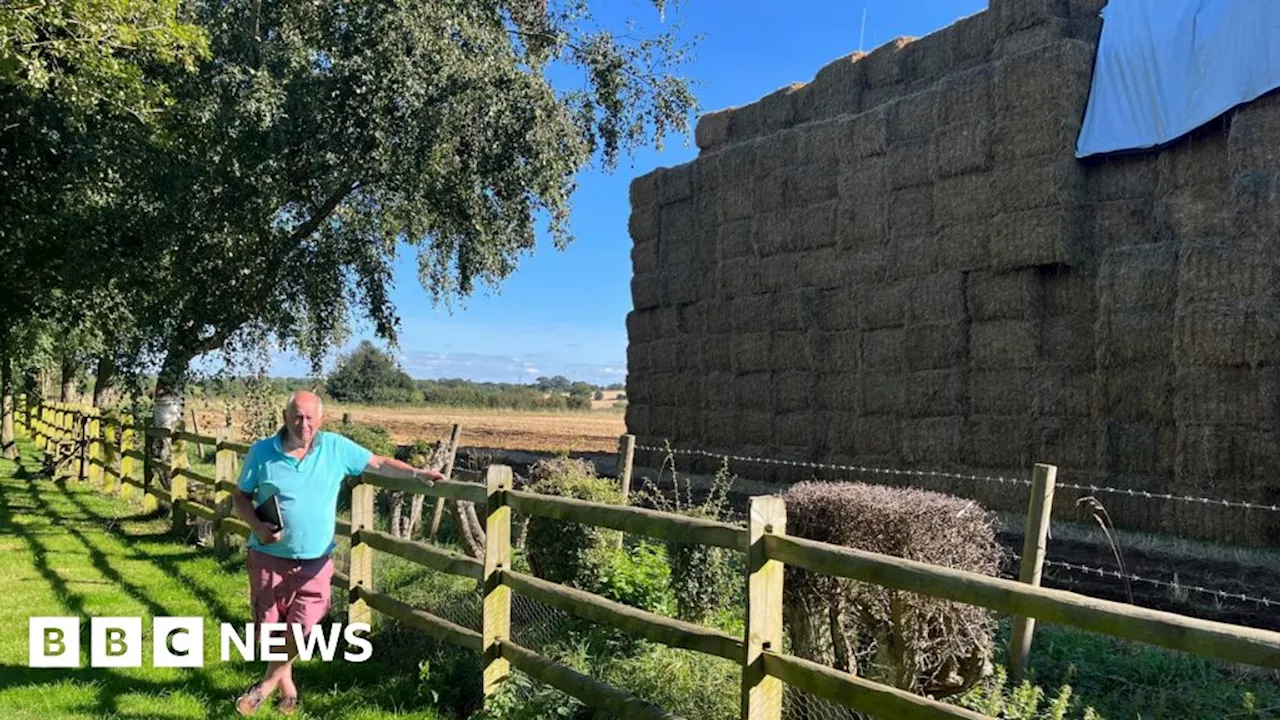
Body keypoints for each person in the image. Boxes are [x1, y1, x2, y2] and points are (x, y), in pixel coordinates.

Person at [232, 390, 444, 716]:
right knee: (272, 629)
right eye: (297, 417)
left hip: (315, 561)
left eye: (310, 418)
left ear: (321, 419)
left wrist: (417, 474)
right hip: (268, 556)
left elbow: (378, 462)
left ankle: (266, 685)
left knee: (303, 628)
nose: (304, 424)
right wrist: (260, 529)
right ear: (285, 417)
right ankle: (287, 685)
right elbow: (241, 497)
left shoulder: (335, 447)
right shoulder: (262, 452)